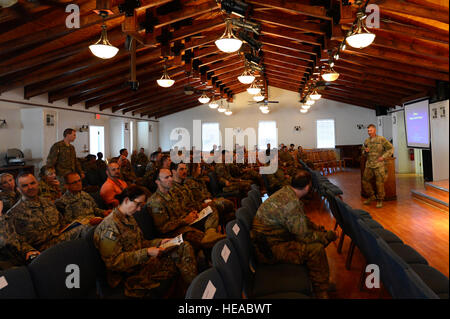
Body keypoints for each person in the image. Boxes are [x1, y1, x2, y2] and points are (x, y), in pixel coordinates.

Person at [94, 185, 197, 298]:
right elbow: (115, 263)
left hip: (142, 263)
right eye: (138, 204)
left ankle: (194, 291)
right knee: (179, 258)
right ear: (127, 200)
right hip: (129, 275)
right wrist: (147, 253)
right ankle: (192, 292)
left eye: (141, 205)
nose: (139, 209)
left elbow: (141, 243)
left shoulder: (129, 217)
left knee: (183, 246)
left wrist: (160, 242)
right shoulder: (109, 227)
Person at [250, 170, 337, 299]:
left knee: (315, 239)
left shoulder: (286, 192)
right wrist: (325, 237)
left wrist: (317, 229)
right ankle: (321, 291)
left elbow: (302, 221)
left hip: (271, 241)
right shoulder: (291, 203)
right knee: (315, 249)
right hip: (269, 251)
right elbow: (304, 237)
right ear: (308, 186)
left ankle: (318, 282)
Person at [5, 173, 90, 260]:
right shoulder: (13, 213)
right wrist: (29, 251)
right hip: (43, 250)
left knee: (88, 228)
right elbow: (16, 241)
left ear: (37, 183)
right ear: (18, 189)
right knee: (85, 230)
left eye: (32, 183)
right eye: (25, 186)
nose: (30, 187)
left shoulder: (48, 202)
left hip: (62, 239)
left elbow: (62, 223)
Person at [147, 168, 224, 249]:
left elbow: (183, 207)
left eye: (171, 176)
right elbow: (163, 228)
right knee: (201, 238)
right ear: (157, 182)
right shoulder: (155, 201)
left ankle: (210, 232)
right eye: (167, 177)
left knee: (211, 208)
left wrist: (191, 212)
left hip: (186, 222)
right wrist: (184, 220)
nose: (171, 179)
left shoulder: (172, 193)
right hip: (174, 231)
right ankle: (213, 247)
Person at [362, 124, 394, 208]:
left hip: (379, 165)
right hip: (369, 164)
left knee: (379, 183)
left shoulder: (381, 139)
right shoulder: (366, 141)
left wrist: (383, 157)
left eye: (370, 130)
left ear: (375, 130)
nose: (369, 132)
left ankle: (380, 200)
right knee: (365, 181)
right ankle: (371, 196)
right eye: (368, 131)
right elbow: (363, 153)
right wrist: (365, 151)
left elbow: (390, 148)